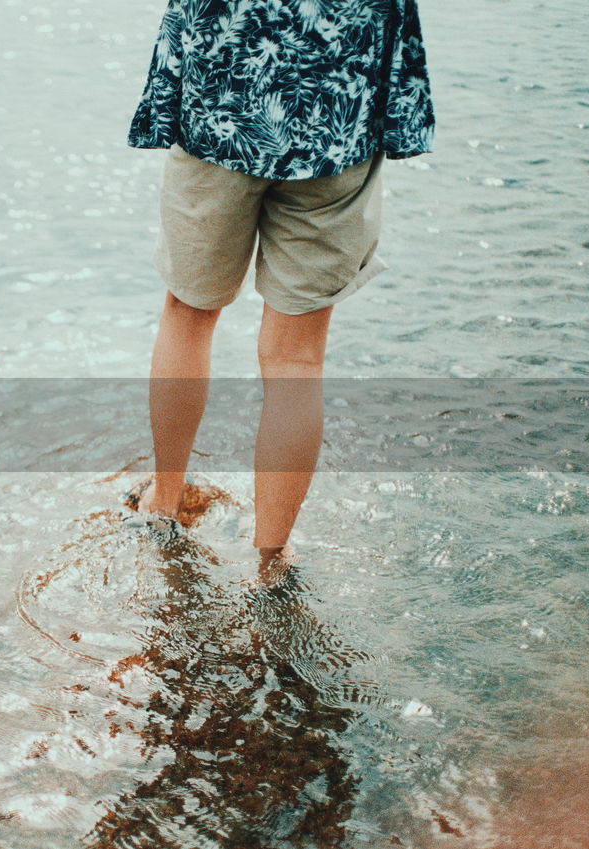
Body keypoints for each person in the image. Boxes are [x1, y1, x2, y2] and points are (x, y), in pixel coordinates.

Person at [125, 0, 435, 563]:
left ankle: (165, 500)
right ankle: (271, 560)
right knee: (297, 357)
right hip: (336, 122)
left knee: (188, 314)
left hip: (222, 110)